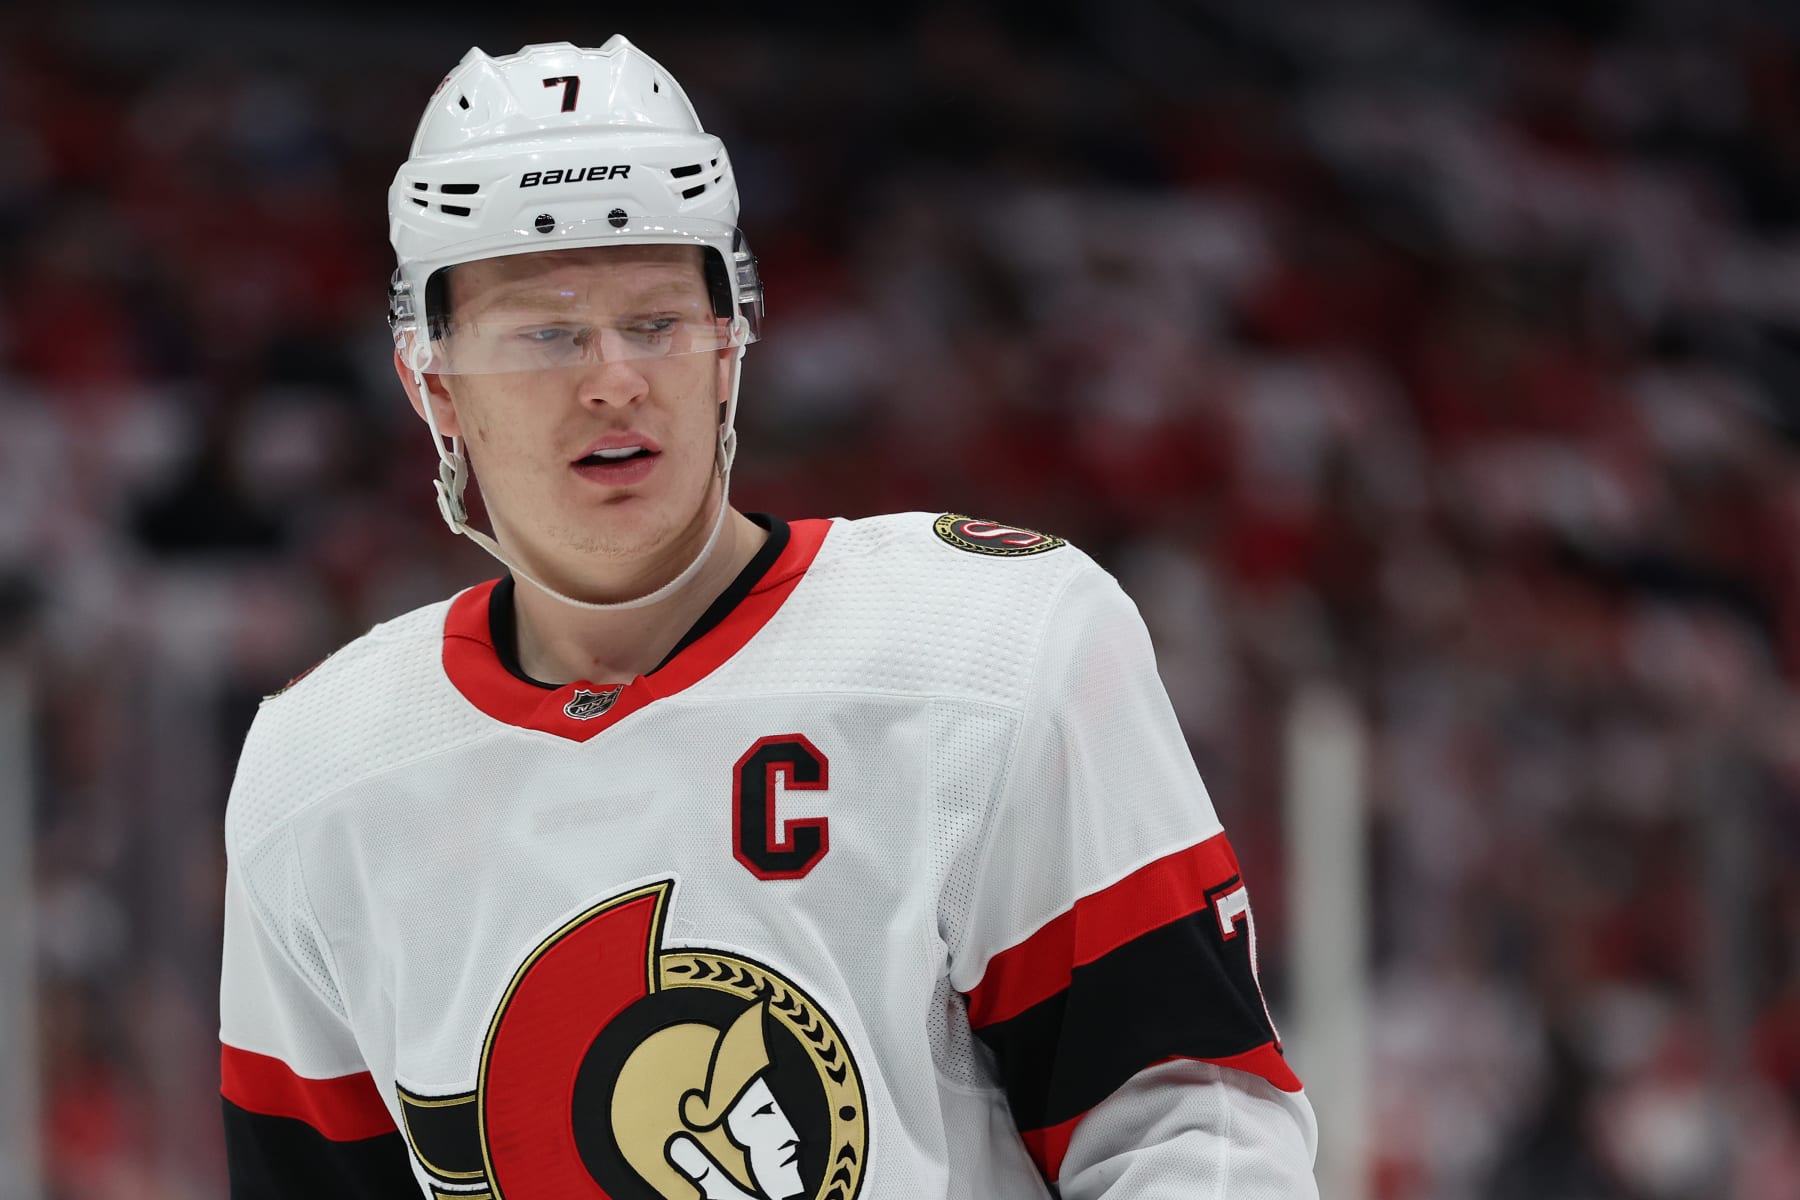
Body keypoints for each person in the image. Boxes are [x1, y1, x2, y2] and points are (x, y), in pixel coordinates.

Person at [216, 36, 1320, 1200]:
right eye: (547, 333)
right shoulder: (322, 774)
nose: (612, 380)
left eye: (656, 324)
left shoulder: (991, 648)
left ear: (731, 344)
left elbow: (1188, 1126)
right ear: (433, 384)